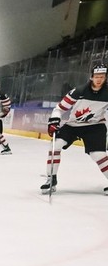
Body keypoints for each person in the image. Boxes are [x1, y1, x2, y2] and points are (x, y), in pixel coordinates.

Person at [42, 61, 108, 193]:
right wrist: (54, 121)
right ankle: (51, 179)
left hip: (95, 126)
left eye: (102, 76)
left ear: (105, 77)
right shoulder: (78, 91)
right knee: (55, 145)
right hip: (73, 125)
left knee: (98, 155)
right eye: (97, 76)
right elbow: (59, 109)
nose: (99, 79)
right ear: (91, 77)